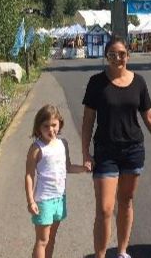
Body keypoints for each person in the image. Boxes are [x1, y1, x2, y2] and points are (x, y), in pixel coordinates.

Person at [81, 34, 151, 258]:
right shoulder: (96, 82)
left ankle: (122, 250)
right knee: (104, 208)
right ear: (106, 57)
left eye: (121, 54)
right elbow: (88, 121)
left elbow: (149, 117)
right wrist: (85, 152)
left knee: (126, 201)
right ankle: (100, 255)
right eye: (112, 55)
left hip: (133, 150)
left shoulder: (139, 82)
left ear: (128, 56)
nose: (117, 58)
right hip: (105, 152)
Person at [25, 104, 87, 258]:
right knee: (42, 240)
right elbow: (29, 175)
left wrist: (83, 168)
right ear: (38, 127)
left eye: (54, 125)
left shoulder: (62, 144)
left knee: (51, 238)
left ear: (60, 123)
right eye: (46, 126)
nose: (51, 129)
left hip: (60, 198)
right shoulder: (36, 148)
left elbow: (68, 167)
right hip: (44, 200)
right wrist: (31, 201)